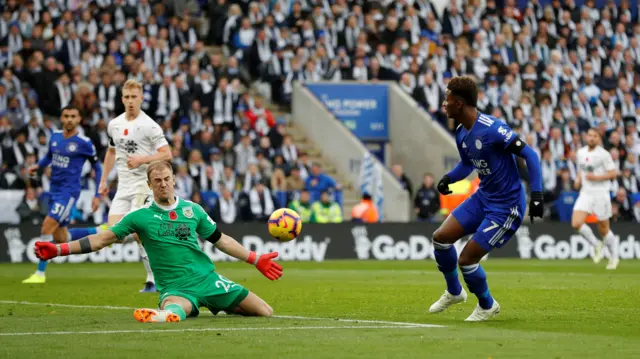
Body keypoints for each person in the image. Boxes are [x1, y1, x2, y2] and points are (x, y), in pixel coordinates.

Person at [34, 160, 280, 323]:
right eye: (157, 181)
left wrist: (255, 258)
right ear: (149, 185)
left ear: (174, 179)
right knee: (177, 308)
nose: (163, 184)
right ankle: (162, 315)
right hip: (176, 288)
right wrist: (57, 249)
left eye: (166, 178)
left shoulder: (193, 210)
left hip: (208, 279)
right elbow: (101, 240)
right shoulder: (139, 217)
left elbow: (221, 240)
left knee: (264, 312)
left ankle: (217, 304)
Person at [430, 76, 543, 321]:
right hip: (483, 198)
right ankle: (454, 291)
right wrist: (449, 178)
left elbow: (530, 155)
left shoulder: (492, 128)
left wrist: (537, 196)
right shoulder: (461, 132)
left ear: (459, 103)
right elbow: (467, 164)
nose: (444, 104)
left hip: (507, 206)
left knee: (467, 259)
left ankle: (487, 305)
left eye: (447, 98)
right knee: (440, 238)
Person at [98, 79, 172, 293]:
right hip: (123, 187)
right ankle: (162, 242)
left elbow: (167, 154)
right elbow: (111, 152)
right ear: (122, 99)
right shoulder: (115, 124)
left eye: (134, 97)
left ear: (141, 98)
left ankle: (153, 279)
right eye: (127, 97)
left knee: (138, 230)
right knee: (115, 236)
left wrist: (142, 160)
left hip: (143, 184)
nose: (130, 101)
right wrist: (103, 181)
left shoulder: (149, 125)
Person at [22, 105, 105, 284]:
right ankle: (99, 230)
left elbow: (97, 167)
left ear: (79, 119)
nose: (69, 119)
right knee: (61, 237)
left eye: (73, 116)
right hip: (53, 190)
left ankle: (39, 274)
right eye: (66, 116)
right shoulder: (55, 136)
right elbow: (49, 157)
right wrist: (39, 166)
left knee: (46, 227)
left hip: (68, 192)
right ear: (61, 117)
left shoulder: (84, 143)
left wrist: (97, 194)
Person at [572, 128, 619, 270]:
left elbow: (613, 174)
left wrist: (596, 178)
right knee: (576, 223)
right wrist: (578, 179)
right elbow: (581, 169)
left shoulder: (604, 155)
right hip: (586, 193)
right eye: (589, 135)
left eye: (595, 136)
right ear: (586, 137)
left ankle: (614, 258)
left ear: (599, 139)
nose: (591, 138)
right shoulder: (580, 152)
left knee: (604, 229)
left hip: (601, 194)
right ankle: (596, 244)